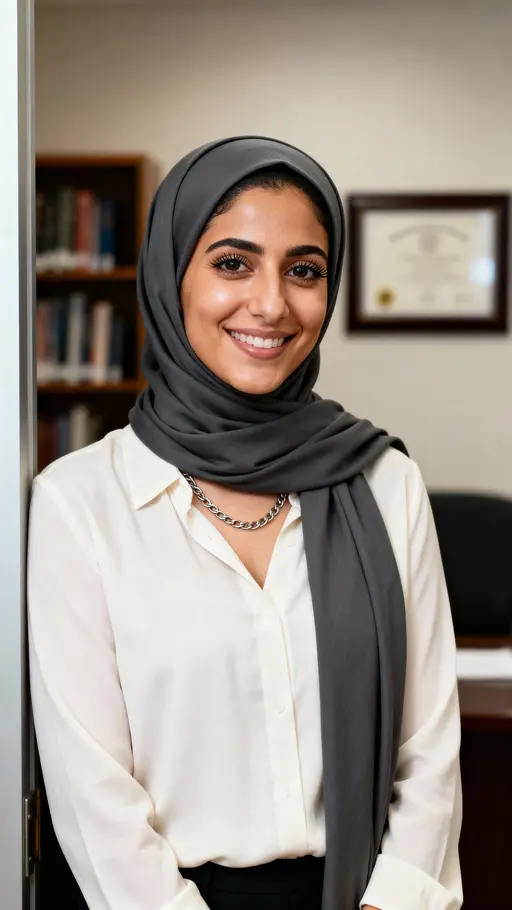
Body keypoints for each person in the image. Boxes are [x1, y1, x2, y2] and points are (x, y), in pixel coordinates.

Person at [28, 137, 462, 910]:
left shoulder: (385, 480)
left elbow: (429, 749)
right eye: (233, 262)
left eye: (305, 270)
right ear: (172, 279)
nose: (271, 304)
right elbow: (91, 792)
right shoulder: (78, 501)